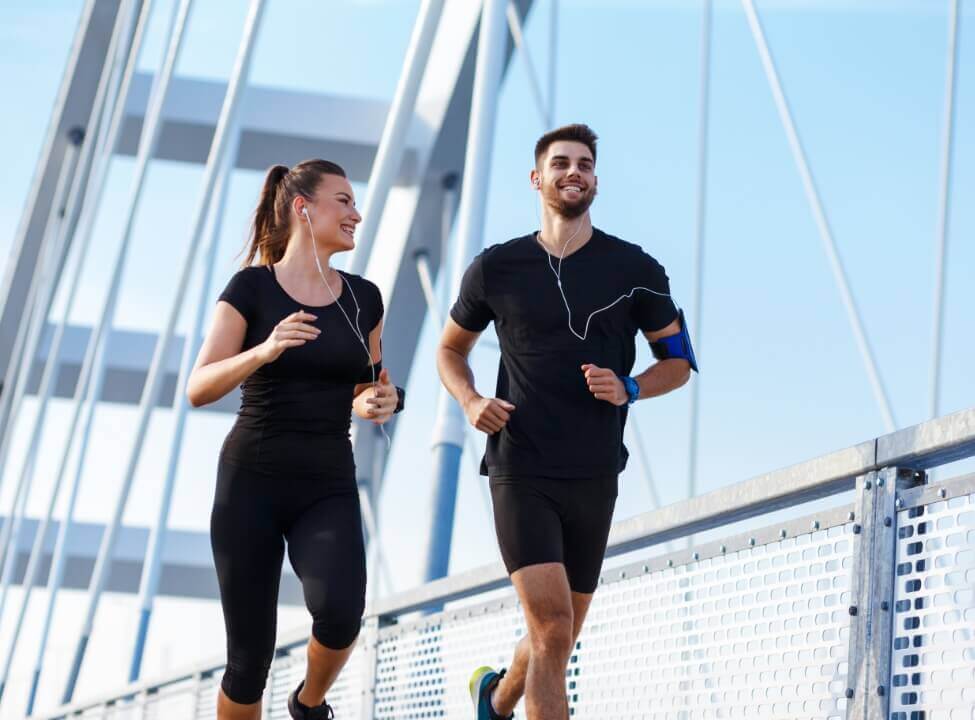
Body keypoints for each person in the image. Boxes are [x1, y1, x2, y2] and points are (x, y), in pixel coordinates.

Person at [437, 124, 697, 720]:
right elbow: (449, 351)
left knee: (559, 633)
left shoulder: (637, 269)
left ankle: (496, 700)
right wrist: (472, 402)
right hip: (520, 465)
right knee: (553, 627)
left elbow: (680, 363)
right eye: (560, 163)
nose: (573, 172)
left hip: (595, 472)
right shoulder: (496, 268)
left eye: (583, 164)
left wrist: (630, 387)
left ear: (596, 181)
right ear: (538, 179)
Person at [187, 159, 403, 720]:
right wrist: (264, 350)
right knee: (248, 660)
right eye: (344, 200)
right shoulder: (251, 290)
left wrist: (383, 399)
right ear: (303, 208)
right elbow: (197, 386)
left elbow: (369, 385)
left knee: (341, 613)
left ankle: (308, 705)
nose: (356, 212)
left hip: (326, 479)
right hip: (250, 480)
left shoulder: (365, 299)